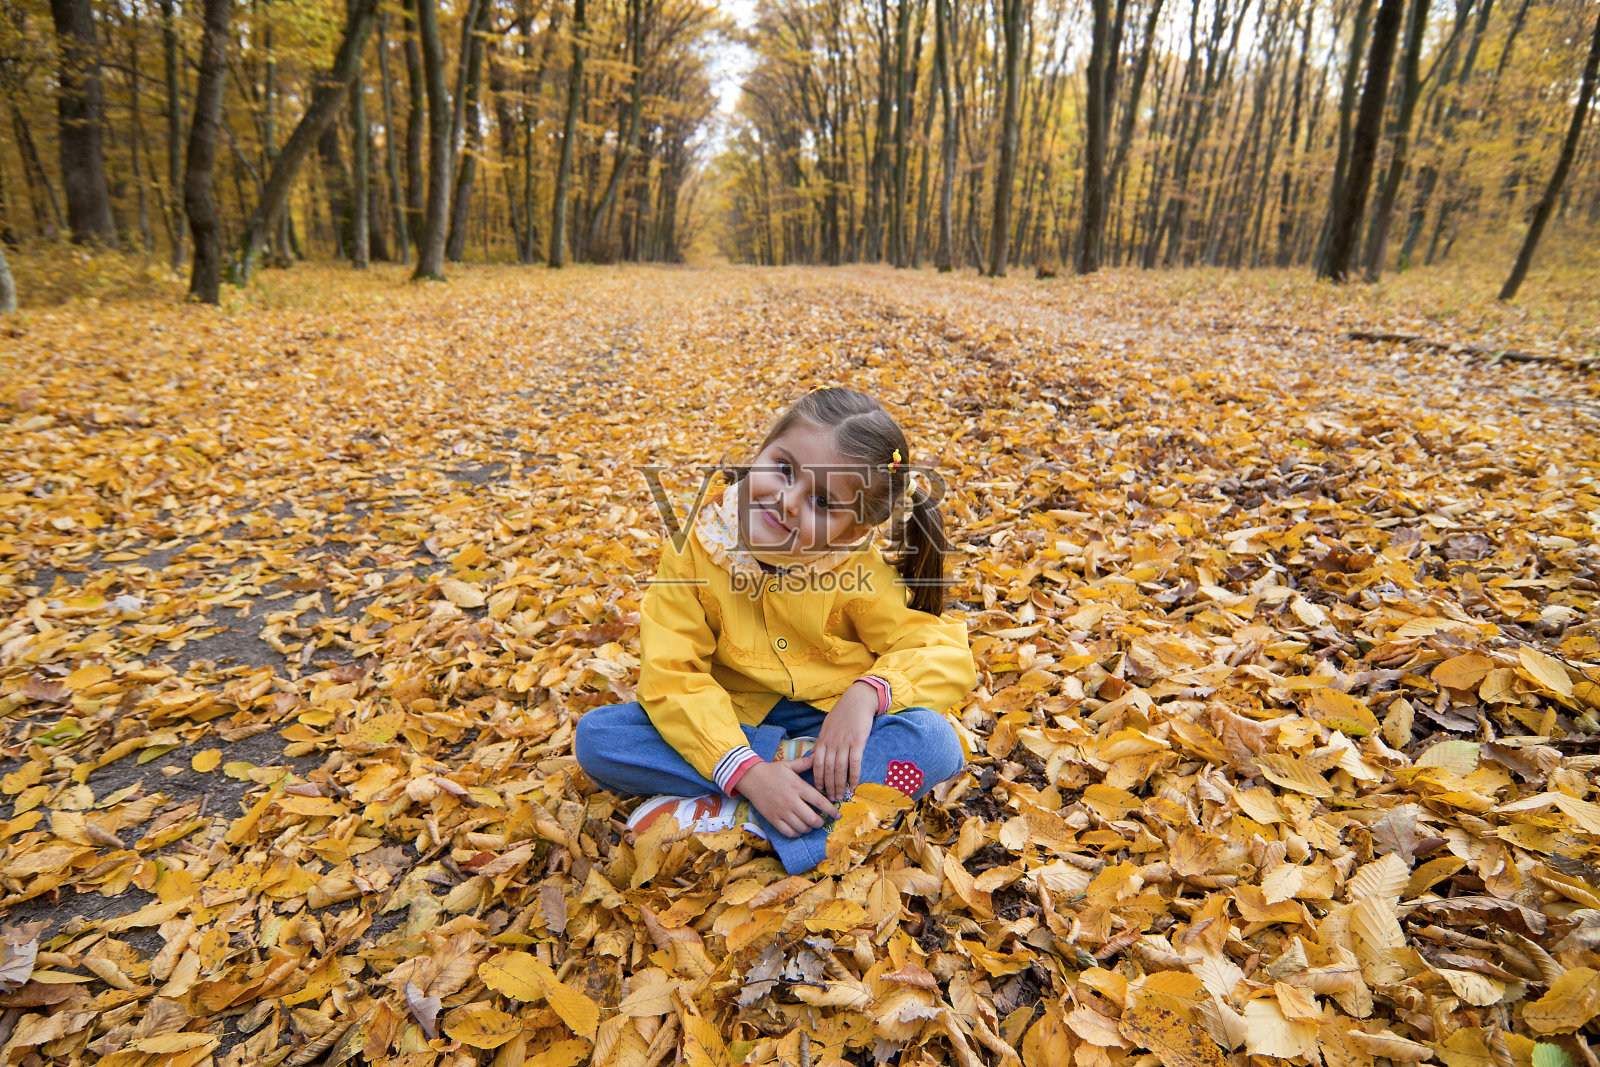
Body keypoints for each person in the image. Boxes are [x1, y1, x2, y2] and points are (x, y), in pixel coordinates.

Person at [573, 386, 976, 876]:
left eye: (822, 502)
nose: (786, 502)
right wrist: (747, 768)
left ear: (851, 532)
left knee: (935, 742)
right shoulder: (695, 551)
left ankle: (751, 812)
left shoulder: (855, 569)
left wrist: (866, 695)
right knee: (599, 738)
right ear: (761, 450)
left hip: (829, 725)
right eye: (783, 469)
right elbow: (673, 675)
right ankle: (776, 794)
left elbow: (935, 647)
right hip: (729, 722)